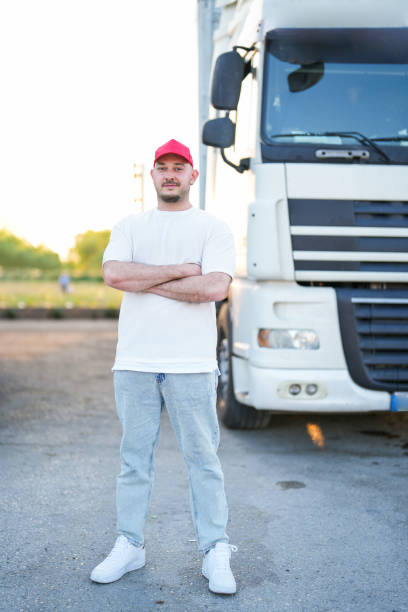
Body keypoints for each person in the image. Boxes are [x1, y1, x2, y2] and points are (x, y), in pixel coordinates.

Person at [90, 139, 237, 594]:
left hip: (191, 365)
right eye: (162, 167)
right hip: (134, 363)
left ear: (193, 176)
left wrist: (146, 279)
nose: (170, 174)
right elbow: (115, 275)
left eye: (179, 167)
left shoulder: (213, 227)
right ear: (151, 176)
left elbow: (213, 287)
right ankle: (130, 544)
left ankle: (215, 550)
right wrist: (177, 271)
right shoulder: (130, 225)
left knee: (203, 461)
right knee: (134, 460)